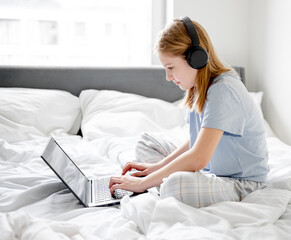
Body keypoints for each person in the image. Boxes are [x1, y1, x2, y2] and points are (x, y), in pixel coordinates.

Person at [109, 17, 269, 208]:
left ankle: (169, 181)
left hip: (241, 183)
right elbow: (197, 140)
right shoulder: (198, 87)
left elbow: (199, 157)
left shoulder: (224, 90)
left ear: (196, 58)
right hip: (210, 171)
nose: (168, 77)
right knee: (146, 144)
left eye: (170, 68)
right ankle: (170, 178)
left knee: (174, 187)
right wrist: (156, 169)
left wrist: (144, 183)